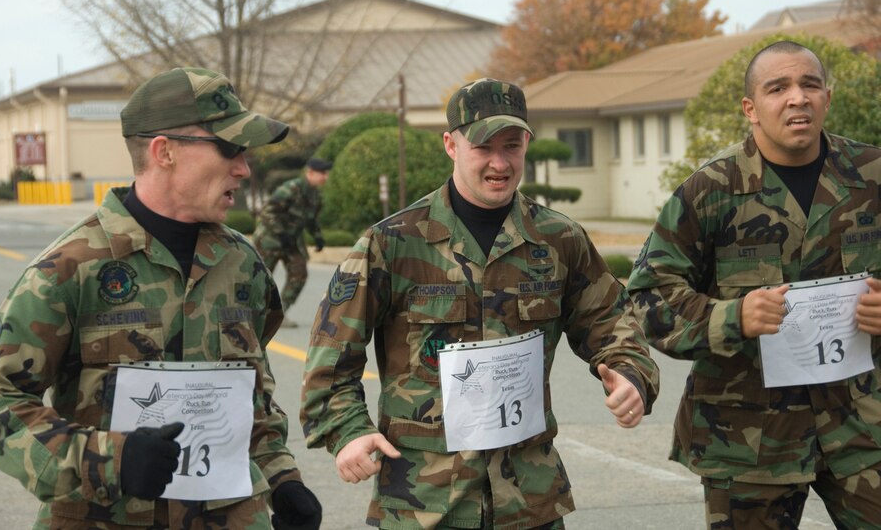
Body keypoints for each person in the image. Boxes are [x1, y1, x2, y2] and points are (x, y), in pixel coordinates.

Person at [299, 77, 660, 529]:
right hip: (425, 504)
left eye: (512, 146)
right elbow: (330, 361)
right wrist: (349, 432)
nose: (499, 162)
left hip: (529, 501)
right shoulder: (391, 243)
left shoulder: (559, 239)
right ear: (450, 144)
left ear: (528, 143)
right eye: (483, 147)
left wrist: (630, 374)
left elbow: (611, 321)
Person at [0, 67, 322, 529]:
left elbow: (251, 391)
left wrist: (282, 478)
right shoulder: (69, 268)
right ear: (164, 151)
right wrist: (107, 461)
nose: (244, 168)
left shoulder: (242, 264)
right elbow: (1, 396)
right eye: (229, 149)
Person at [627, 41, 881, 529]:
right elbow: (648, 296)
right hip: (747, 439)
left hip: (862, 426)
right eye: (777, 87)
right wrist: (732, 317)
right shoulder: (710, 191)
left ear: (827, 95)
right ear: (751, 108)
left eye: (809, 84)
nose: (797, 98)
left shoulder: (871, 176)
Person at [253, 157, 331, 328]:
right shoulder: (291, 188)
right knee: (261, 278)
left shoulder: (315, 195)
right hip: (270, 240)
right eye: (322, 173)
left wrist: (318, 237)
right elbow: (268, 212)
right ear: (310, 172)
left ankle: (279, 313)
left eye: (326, 173)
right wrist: (280, 233)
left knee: (299, 274)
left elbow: (311, 220)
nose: (325, 177)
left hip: (292, 241)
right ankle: (253, 314)